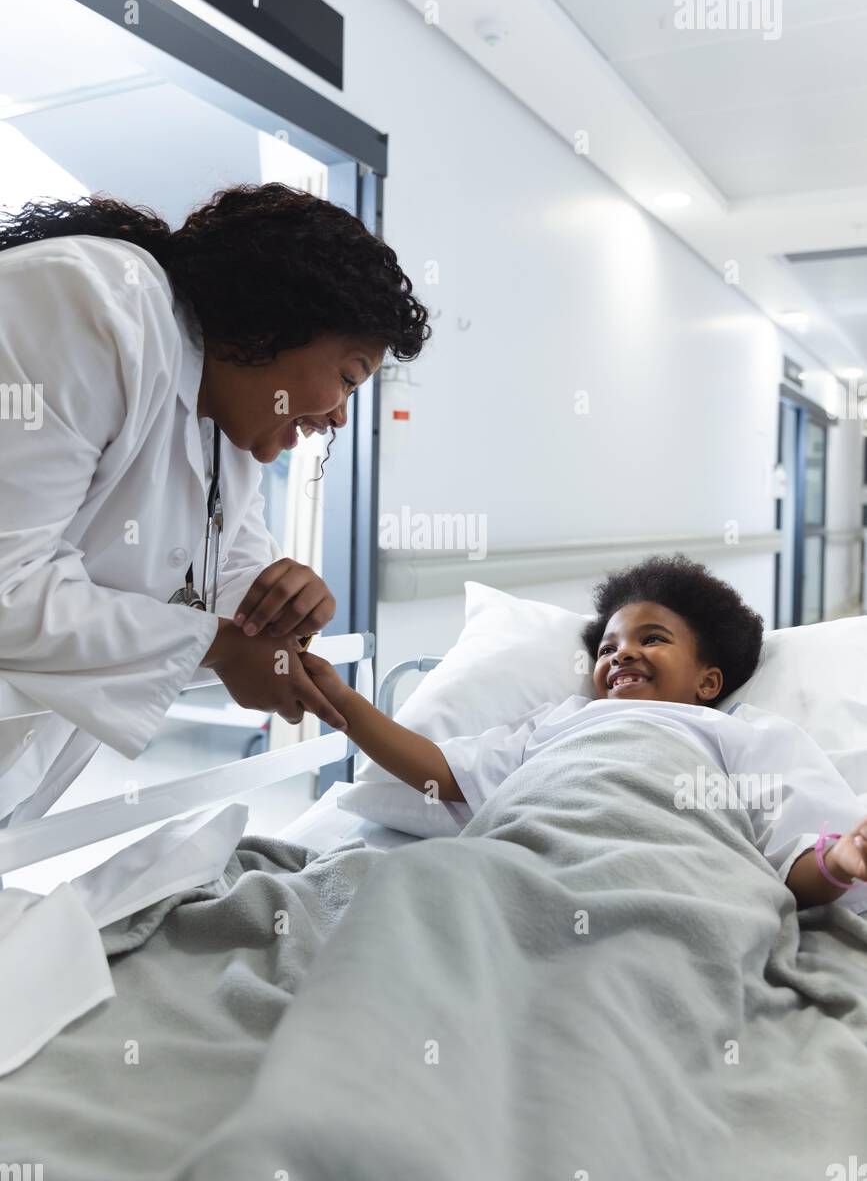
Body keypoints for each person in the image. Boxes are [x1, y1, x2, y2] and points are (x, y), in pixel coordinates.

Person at [0, 183, 429, 825]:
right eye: (347, 377)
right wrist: (224, 648)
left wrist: (284, 605)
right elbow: (9, 583)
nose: (339, 416)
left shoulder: (224, 426)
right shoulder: (93, 304)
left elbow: (229, 585)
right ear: (277, 323)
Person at [298, 553, 867, 913]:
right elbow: (441, 774)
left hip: (675, 880)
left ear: (708, 681)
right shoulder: (563, 722)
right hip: (526, 866)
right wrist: (343, 700)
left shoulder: (739, 734)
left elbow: (792, 864)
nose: (624, 654)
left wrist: (837, 862)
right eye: (607, 647)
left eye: (654, 639)